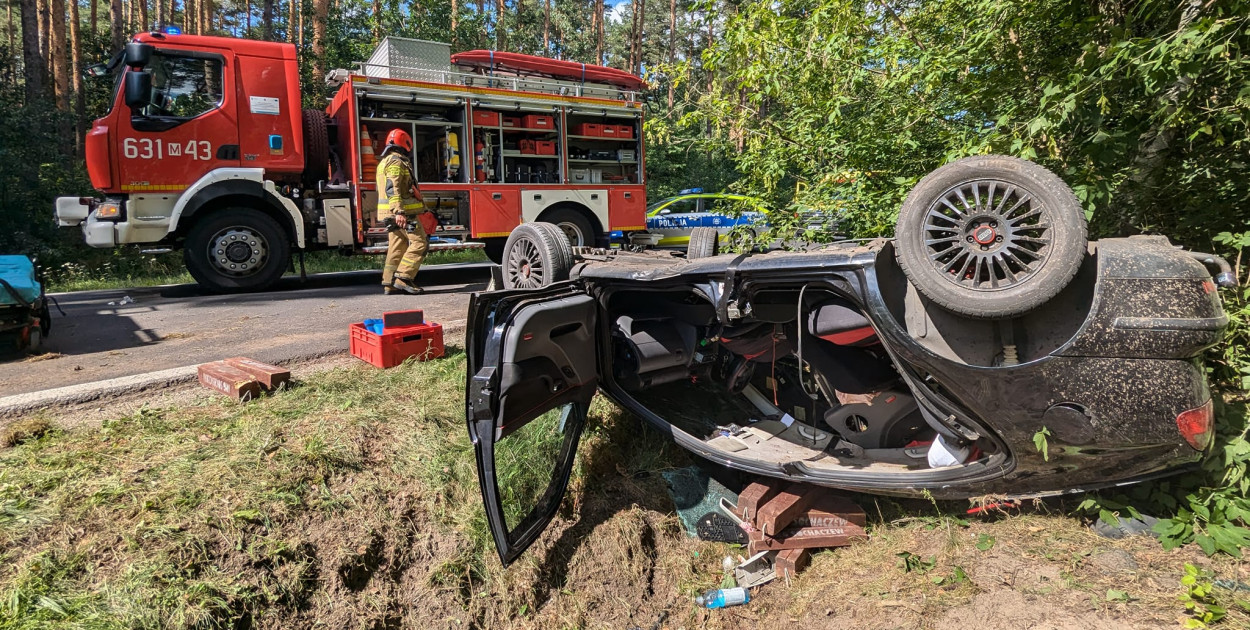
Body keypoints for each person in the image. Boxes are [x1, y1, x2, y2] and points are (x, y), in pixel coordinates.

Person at [376, 129, 428, 295]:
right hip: (403, 214)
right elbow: (393, 188)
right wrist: (399, 212)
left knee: (397, 246)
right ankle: (404, 278)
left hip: (389, 214)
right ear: (405, 144)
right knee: (420, 242)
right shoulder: (396, 162)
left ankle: (389, 281)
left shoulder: (384, 161)